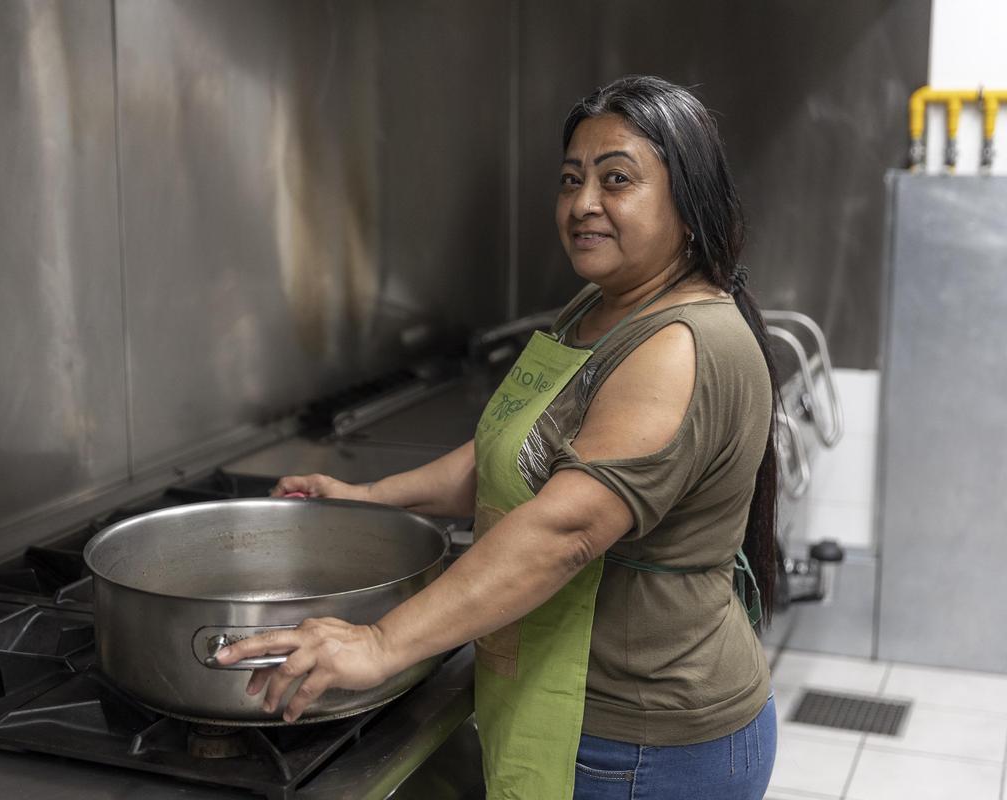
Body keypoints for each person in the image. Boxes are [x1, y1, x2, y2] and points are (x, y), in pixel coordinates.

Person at [217, 75, 779, 799]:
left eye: (617, 180)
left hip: (645, 744)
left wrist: (381, 642)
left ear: (690, 202)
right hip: (579, 710)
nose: (583, 205)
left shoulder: (678, 343)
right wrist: (367, 498)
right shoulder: (598, 308)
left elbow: (565, 527)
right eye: (571, 180)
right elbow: (514, 455)